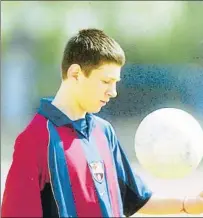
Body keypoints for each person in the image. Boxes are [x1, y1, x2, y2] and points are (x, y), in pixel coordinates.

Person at [1, 28, 203, 218]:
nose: (113, 92)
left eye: (116, 83)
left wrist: (188, 204)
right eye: (106, 82)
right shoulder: (36, 138)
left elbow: (135, 199)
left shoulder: (103, 132)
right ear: (75, 74)